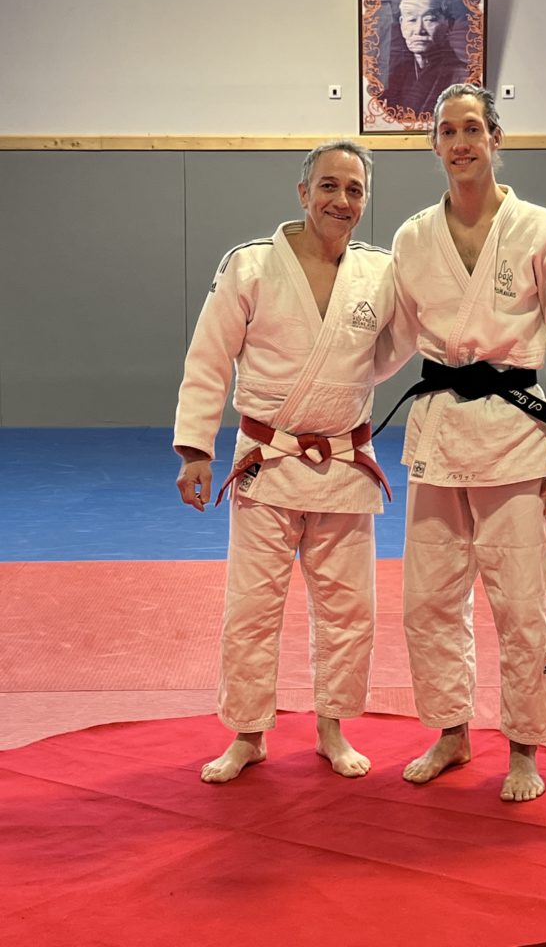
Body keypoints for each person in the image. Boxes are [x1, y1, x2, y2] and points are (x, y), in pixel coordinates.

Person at [386, 84, 546, 802]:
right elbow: (387, 339)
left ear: (496, 137)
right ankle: (451, 732)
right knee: (427, 601)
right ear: (434, 144)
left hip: (516, 436)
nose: (460, 143)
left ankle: (524, 747)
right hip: (437, 435)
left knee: (521, 604)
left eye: (472, 129)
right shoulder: (411, 238)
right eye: (447, 131)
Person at [173, 140, 395, 783]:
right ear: (303, 193)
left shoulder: (381, 272)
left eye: (354, 190)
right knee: (252, 608)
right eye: (329, 186)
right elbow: (209, 357)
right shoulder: (250, 265)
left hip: (345, 462)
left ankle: (332, 728)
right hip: (266, 462)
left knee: (349, 610)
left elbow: (397, 346)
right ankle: (248, 734)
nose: (341, 200)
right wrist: (195, 449)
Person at [383, 0, 467, 116]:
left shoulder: (462, 75)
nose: (419, 30)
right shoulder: (398, 73)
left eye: (429, 19)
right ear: (401, 24)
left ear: (449, 24)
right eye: (411, 20)